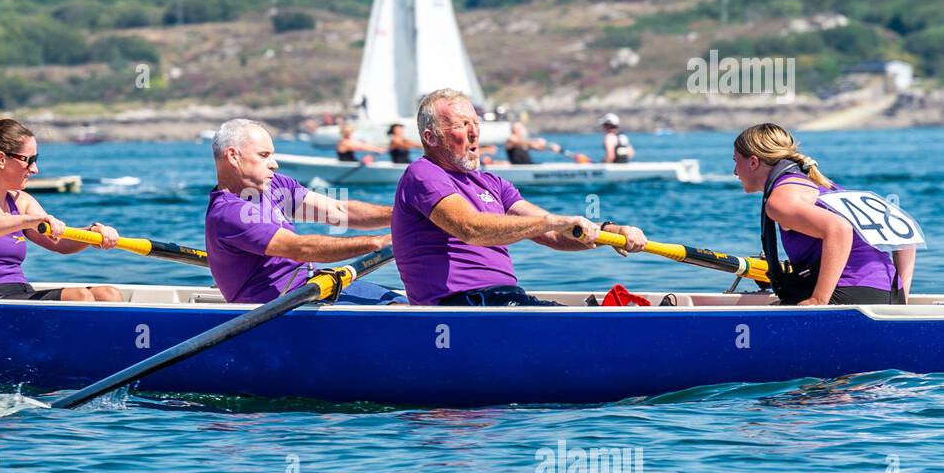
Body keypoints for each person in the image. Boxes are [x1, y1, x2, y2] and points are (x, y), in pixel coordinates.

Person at [393, 89, 647, 307]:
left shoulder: (493, 183)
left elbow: (555, 235)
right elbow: (471, 228)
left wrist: (611, 231)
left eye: (476, 123)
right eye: (462, 125)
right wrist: (551, 221)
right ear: (431, 137)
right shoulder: (423, 173)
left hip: (500, 301)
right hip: (460, 305)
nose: (474, 133)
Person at [207, 118, 402, 304]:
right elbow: (300, 249)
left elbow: (338, 211)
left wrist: (406, 215)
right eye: (264, 155)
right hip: (277, 306)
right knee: (401, 311)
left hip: (311, 287)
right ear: (233, 156)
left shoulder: (275, 185)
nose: (274, 164)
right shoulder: (228, 212)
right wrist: (378, 242)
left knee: (400, 303)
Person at [733, 122, 915, 305]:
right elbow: (905, 235)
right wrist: (901, 299)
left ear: (753, 162)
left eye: (736, 161)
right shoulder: (827, 188)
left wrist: (818, 300)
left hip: (851, 294)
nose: (735, 172)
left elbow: (839, 229)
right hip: (890, 294)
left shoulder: (781, 199)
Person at [0, 117, 120, 301]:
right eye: (29, 160)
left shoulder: (21, 201)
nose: (35, 169)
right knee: (79, 297)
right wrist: (29, 220)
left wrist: (93, 234)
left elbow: (60, 242)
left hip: (18, 291)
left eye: (36, 159)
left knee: (108, 294)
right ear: (1, 159)